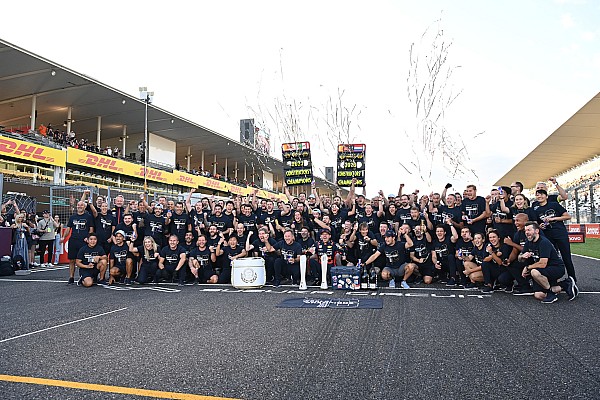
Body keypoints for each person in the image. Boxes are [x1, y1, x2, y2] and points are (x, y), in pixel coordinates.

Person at [519, 222, 577, 303]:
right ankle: (565, 285)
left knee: (534, 272)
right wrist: (522, 256)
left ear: (537, 231)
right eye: (525, 231)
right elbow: (519, 258)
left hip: (555, 268)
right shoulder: (528, 242)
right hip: (543, 271)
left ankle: (550, 293)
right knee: (538, 295)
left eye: (529, 230)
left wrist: (527, 267)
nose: (526, 232)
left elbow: (543, 264)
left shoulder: (543, 242)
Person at [532, 189, 576, 281]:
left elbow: (568, 216)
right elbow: (537, 224)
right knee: (551, 259)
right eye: (537, 195)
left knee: (566, 258)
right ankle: (553, 280)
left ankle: (572, 279)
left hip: (560, 234)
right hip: (548, 236)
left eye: (542, 194)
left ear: (546, 196)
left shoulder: (554, 205)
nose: (539, 196)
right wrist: (540, 226)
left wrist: (553, 218)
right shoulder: (536, 210)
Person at [62, 201, 94, 284]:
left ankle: (83, 276)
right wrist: (63, 237)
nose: (80, 206)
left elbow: (91, 229)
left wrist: (88, 238)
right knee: (72, 260)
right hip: (73, 241)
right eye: (78, 205)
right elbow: (68, 228)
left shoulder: (88, 217)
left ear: (84, 207)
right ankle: (71, 277)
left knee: (83, 260)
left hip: (83, 241)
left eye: (81, 205)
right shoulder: (72, 217)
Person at [431, 221, 459, 286]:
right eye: (437, 231)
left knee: (450, 256)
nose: (439, 233)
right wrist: (436, 263)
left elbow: (456, 237)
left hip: (451, 263)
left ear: (444, 232)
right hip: (441, 263)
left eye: (441, 231)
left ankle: (453, 278)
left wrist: (450, 225)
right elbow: (434, 256)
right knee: (433, 265)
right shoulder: (434, 242)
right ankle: (442, 277)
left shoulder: (449, 239)